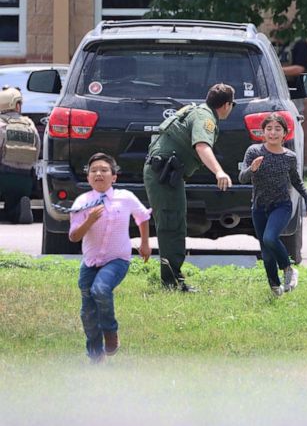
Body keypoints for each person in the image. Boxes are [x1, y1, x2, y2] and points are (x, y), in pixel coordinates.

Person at [143, 83, 235, 290]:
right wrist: (219, 171)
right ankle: (171, 282)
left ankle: (172, 278)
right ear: (227, 105)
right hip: (163, 173)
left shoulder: (195, 109)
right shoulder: (205, 117)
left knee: (173, 223)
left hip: (164, 172)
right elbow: (202, 145)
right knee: (171, 225)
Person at [68, 153, 152, 363]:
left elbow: (142, 216)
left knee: (101, 289)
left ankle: (110, 331)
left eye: (104, 170)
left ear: (114, 177)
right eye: (94, 170)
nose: (99, 174)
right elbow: (74, 236)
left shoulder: (126, 197)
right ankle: (95, 356)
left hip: (118, 259)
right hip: (90, 263)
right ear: (88, 178)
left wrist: (144, 243)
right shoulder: (82, 202)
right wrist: (89, 220)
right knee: (87, 313)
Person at [239, 113, 307, 296]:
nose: (273, 133)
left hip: (281, 206)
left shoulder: (289, 157)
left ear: (285, 134)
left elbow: (297, 181)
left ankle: (288, 269)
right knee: (266, 253)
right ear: (262, 132)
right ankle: (275, 288)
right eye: (269, 129)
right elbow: (242, 178)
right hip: (259, 208)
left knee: (269, 238)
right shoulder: (254, 152)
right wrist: (252, 169)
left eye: (277, 129)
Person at [0, 86, 39, 224]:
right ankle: (18, 208)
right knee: (14, 204)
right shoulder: (30, 125)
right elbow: (37, 152)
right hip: (25, 181)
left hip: (3, 178)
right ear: (16, 105)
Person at [274, 33, 307, 112]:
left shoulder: (299, 43)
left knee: (293, 116)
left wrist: (274, 70)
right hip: (274, 90)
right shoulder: (271, 44)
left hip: (292, 90)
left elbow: (299, 69)